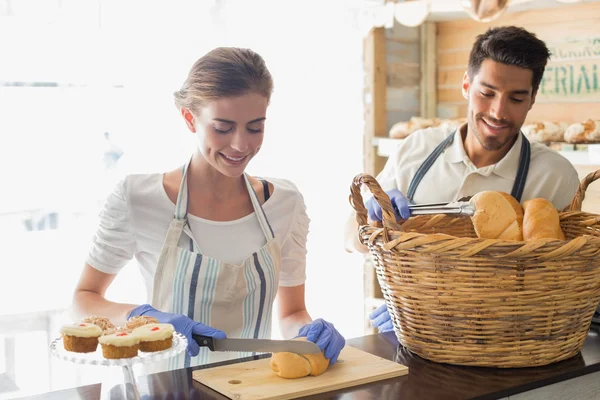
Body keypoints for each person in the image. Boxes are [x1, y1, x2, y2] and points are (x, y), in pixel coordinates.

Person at [72, 47, 345, 370]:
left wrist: (308, 334)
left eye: (255, 128)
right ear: (190, 119)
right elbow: (83, 299)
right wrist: (139, 316)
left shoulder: (285, 203)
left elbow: (290, 313)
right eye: (223, 127)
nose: (241, 145)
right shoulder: (138, 199)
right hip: (168, 390)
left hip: (257, 388)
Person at [344, 26, 580, 333]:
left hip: (505, 344)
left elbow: (559, 284)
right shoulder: (418, 148)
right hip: (409, 334)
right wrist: (373, 222)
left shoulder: (554, 176)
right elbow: (349, 238)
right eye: (487, 93)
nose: (498, 111)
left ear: (533, 99)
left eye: (516, 99)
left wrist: (449, 313)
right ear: (466, 85)